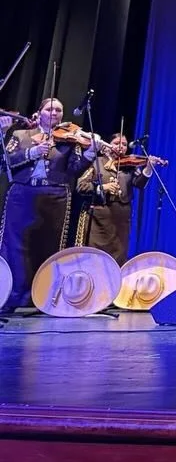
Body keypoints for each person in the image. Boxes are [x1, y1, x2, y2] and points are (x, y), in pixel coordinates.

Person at [1, 98, 99, 311]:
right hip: (23, 192)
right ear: (40, 112)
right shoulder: (21, 135)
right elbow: (5, 162)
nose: (54, 112)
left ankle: (44, 297)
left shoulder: (69, 140)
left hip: (55, 195)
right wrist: (32, 153)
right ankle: (12, 296)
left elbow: (74, 169)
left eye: (59, 110)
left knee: (50, 246)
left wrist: (91, 153)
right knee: (15, 245)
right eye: (50, 108)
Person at [74, 132, 155, 266]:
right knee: (95, 257)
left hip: (121, 220)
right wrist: (103, 187)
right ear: (107, 145)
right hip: (99, 219)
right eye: (117, 143)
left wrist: (148, 169)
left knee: (118, 257)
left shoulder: (129, 166)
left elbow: (139, 184)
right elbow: (81, 186)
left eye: (124, 144)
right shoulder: (97, 162)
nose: (121, 147)